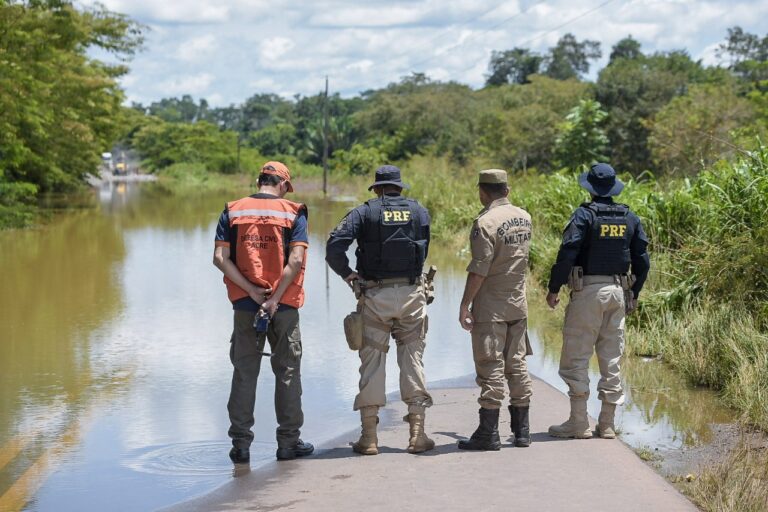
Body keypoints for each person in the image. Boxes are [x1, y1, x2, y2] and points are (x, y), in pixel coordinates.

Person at [325, 165, 434, 456]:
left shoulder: (364, 212)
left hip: (374, 295)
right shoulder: (419, 211)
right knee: (413, 360)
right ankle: (417, 435)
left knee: (372, 361)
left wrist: (349, 275)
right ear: (400, 187)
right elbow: (423, 248)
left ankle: (369, 437)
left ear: (377, 189)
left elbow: (334, 246)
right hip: (412, 294)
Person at [213, 161, 314, 463]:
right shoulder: (293, 211)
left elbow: (220, 257)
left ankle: (241, 446)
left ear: (259, 181)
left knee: (245, 372)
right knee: (287, 372)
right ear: (283, 185)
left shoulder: (233, 210)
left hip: (245, 305)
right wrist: (272, 300)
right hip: (283, 305)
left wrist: (252, 291)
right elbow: (295, 261)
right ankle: (288, 444)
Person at [546, 163, 650, 439]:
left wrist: (554, 287)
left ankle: (578, 422)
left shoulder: (584, 215)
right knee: (611, 358)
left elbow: (567, 252)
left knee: (577, 356)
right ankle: (606, 424)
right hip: (619, 292)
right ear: (613, 188)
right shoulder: (630, 217)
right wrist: (634, 293)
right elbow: (642, 260)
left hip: (588, 291)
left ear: (590, 188)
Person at [457, 169, 534, 451]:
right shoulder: (524, 217)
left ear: (482, 191)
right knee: (517, 366)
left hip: (491, 309)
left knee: (491, 368)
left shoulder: (485, 223)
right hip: (518, 305)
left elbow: (479, 269)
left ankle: (488, 434)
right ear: (507, 190)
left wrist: (465, 304)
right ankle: (522, 432)